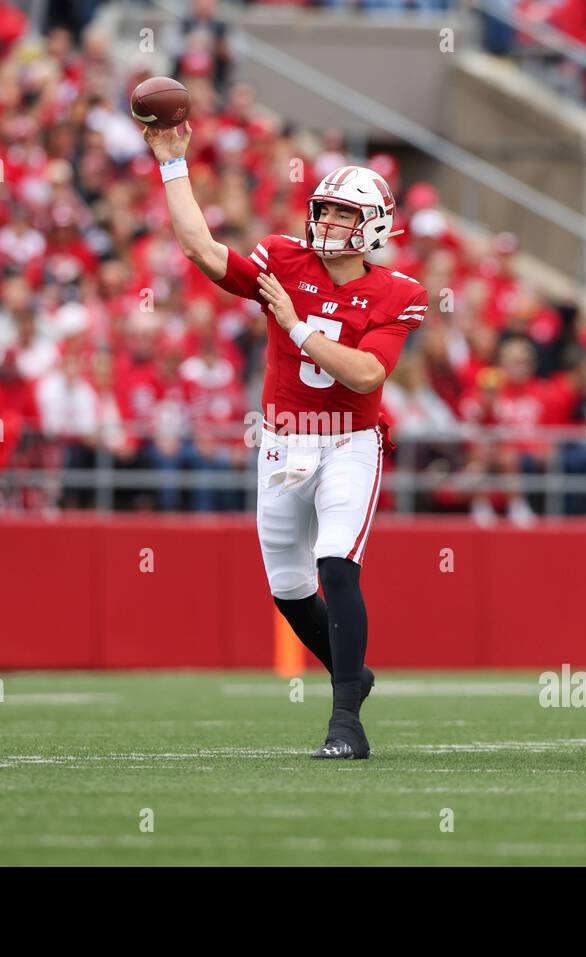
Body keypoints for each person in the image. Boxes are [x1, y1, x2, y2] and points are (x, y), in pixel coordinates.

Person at [143, 122, 428, 759]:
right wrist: (173, 162)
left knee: (336, 564)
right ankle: (356, 674)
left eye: (341, 213)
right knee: (289, 587)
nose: (325, 221)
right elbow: (196, 245)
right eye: (322, 209)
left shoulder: (396, 293)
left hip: (350, 441)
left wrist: (296, 327)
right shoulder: (282, 257)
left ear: (375, 224)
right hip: (283, 442)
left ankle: (345, 723)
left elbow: (366, 373)